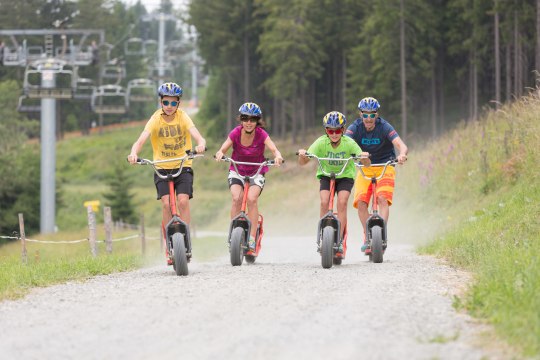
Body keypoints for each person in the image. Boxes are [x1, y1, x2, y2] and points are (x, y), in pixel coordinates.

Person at [127, 82, 206, 262]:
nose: (169, 107)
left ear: (178, 103)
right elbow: (140, 141)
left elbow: (197, 135)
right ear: (161, 102)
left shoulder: (183, 117)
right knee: (166, 204)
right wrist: (134, 153)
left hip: (182, 164)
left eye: (173, 103)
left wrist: (201, 144)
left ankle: (185, 240)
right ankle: (169, 244)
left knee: (183, 201)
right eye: (166, 103)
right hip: (161, 166)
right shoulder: (155, 119)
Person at [214, 102, 283, 252]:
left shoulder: (261, 134)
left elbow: (273, 148)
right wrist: (220, 153)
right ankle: (234, 233)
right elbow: (224, 147)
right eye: (245, 118)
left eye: (252, 119)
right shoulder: (235, 133)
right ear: (241, 119)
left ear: (257, 120)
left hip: (257, 171)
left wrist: (277, 156)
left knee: (251, 199)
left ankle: (252, 237)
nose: (249, 123)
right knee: (236, 198)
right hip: (237, 170)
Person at [298, 111, 370, 251]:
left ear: (343, 130)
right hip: (326, 175)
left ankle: (339, 240)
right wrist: (302, 154)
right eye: (331, 131)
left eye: (337, 130)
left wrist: (364, 157)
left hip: (345, 176)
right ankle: (322, 235)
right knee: (324, 202)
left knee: (342, 203)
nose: (334, 134)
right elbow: (303, 162)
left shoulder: (349, 143)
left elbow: (366, 163)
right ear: (326, 130)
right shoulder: (320, 142)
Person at [344, 97, 408, 253]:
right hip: (364, 168)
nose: (368, 119)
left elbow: (401, 144)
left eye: (372, 115)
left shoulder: (384, 126)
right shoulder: (355, 127)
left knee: (381, 198)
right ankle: (368, 235)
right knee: (360, 202)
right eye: (365, 115)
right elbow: (345, 142)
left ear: (377, 115)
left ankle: (381, 233)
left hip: (385, 166)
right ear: (360, 115)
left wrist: (402, 154)